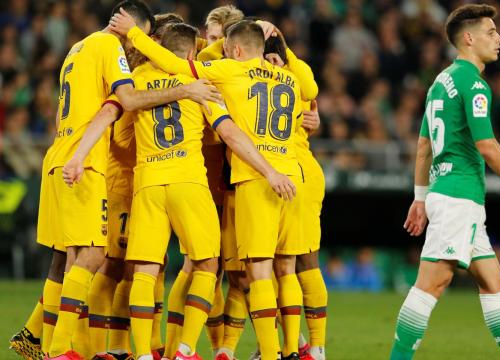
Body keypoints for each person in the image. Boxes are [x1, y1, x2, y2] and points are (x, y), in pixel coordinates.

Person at [109, 14, 307, 360]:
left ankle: (142, 354)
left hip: (148, 183)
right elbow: (227, 131)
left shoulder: (138, 78)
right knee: (210, 266)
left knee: (144, 270)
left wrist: (136, 37)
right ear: (192, 56)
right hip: (197, 180)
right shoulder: (210, 87)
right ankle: (187, 348)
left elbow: (123, 132)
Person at [29, 1, 218, 359]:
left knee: (79, 260)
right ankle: (64, 349)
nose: (135, 47)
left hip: (68, 153)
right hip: (97, 166)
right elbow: (123, 105)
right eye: (138, 38)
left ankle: (62, 344)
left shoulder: (77, 48)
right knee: (99, 260)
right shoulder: (112, 49)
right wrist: (186, 91)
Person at [389, 4, 500, 360]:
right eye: (491, 32)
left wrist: (420, 197)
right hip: (458, 197)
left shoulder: (439, 82)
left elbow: (424, 145)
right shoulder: (473, 83)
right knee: (431, 285)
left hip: (451, 196)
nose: (499, 38)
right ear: (469, 39)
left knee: (495, 282)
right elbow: (486, 145)